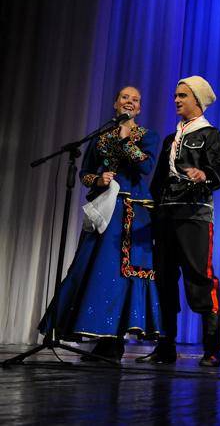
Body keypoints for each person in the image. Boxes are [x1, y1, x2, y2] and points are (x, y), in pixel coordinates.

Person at [38, 86, 161, 362]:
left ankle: (114, 341)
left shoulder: (147, 136)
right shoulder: (99, 138)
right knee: (94, 269)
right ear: (115, 103)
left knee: (119, 273)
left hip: (131, 212)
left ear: (139, 108)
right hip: (104, 210)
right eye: (125, 98)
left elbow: (145, 166)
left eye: (135, 100)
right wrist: (98, 179)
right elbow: (84, 173)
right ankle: (97, 337)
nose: (129, 102)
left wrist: (126, 140)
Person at [137, 76, 220, 367]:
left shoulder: (210, 135)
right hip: (166, 215)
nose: (176, 100)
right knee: (164, 279)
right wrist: (151, 210)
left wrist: (205, 175)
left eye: (183, 95)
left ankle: (212, 349)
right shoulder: (171, 139)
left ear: (197, 100)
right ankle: (166, 346)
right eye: (176, 95)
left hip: (194, 215)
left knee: (200, 278)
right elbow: (158, 181)